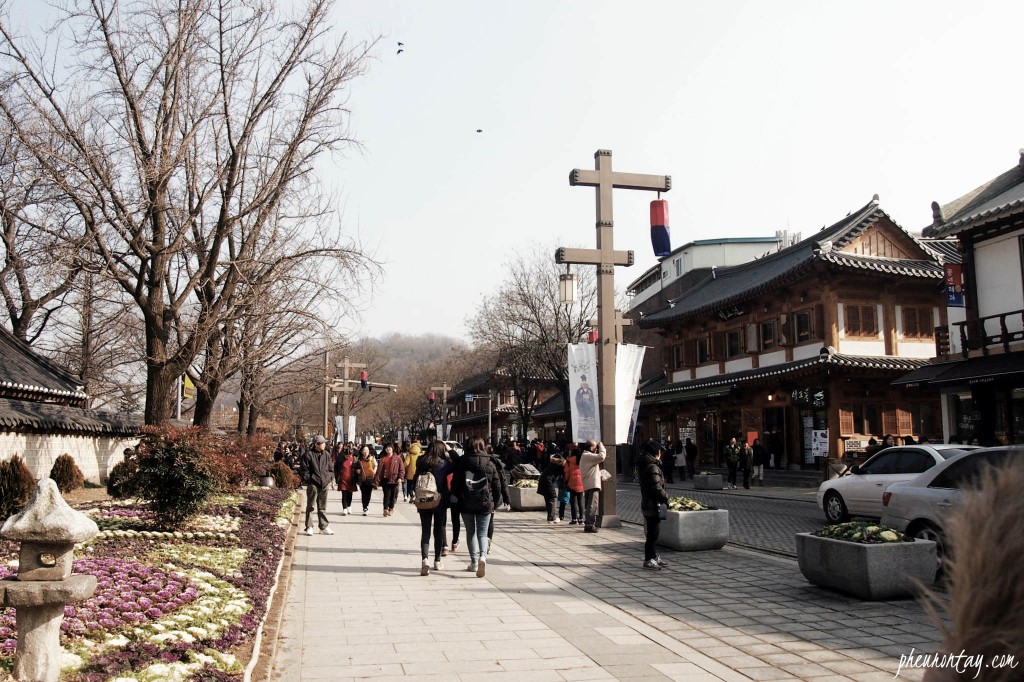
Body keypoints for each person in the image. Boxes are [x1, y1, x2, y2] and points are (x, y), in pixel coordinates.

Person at [450, 436, 502, 577]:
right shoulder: (490, 462)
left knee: (470, 532)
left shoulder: (461, 462)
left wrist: (459, 497)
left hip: (466, 502)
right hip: (485, 503)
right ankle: (483, 557)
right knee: (483, 533)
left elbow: (454, 485)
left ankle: (473, 562)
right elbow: (497, 484)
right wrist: (496, 502)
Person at [415, 440, 453, 576]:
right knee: (438, 531)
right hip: (439, 501)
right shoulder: (444, 464)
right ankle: (437, 560)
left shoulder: (420, 461)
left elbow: (415, 478)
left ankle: (424, 560)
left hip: (423, 500)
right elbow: (458, 463)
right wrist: (450, 450)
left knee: (425, 531)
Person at [638, 440, 669, 569]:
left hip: (649, 503)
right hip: (652, 504)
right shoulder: (652, 467)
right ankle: (649, 559)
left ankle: (653, 557)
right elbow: (656, 487)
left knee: (653, 532)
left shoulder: (647, 464)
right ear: (656, 452)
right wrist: (666, 497)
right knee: (653, 533)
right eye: (660, 451)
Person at [299, 435, 334, 536]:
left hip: (324, 484)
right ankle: (309, 526)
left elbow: (331, 468)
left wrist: (329, 479)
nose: (324, 444)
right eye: (322, 443)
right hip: (313, 484)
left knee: (322, 506)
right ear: (316, 444)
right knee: (311, 506)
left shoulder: (327, 454)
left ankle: (323, 526)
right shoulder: (308, 455)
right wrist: (310, 480)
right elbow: (304, 470)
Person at [580, 439, 607, 533]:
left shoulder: (586, 456)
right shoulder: (588, 455)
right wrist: (602, 446)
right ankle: (589, 525)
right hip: (592, 484)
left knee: (590, 505)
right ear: (591, 447)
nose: (596, 449)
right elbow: (602, 456)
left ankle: (589, 524)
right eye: (595, 447)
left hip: (589, 483)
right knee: (592, 505)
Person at [375, 444, 405, 517]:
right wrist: (376, 480)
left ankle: (391, 509)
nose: (388, 449)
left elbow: (402, 469)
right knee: (386, 495)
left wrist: (400, 477)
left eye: (389, 448)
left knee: (393, 496)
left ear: (392, 449)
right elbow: (379, 471)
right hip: (385, 479)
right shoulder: (383, 459)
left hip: (395, 480)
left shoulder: (398, 458)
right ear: (385, 449)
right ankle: (385, 509)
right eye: (386, 448)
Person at [537, 450, 566, 523]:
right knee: (553, 498)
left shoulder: (552, 463)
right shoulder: (559, 465)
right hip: (548, 482)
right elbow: (564, 474)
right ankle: (552, 517)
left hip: (543, 480)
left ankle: (550, 516)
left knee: (548, 499)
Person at [563, 444, 584, 525]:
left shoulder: (569, 461)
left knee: (573, 502)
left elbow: (567, 473)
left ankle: (574, 519)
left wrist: (566, 481)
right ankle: (581, 519)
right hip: (581, 483)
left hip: (572, 482)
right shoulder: (582, 461)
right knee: (580, 502)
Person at [334, 445, 357, 515]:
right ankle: (344, 508)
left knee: (350, 494)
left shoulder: (354, 459)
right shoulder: (340, 459)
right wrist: (337, 478)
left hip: (351, 480)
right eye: (346, 455)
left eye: (349, 455)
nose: (348, 457)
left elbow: (357, 468)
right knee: (344, 495)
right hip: (343, 479)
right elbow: (336, 469)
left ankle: (349, 506)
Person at [356, 445, 377, 515]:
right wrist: (357, 470)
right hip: (362, 479)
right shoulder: (359, 459)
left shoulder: (372, 458)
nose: (365, 452)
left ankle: (366, 505)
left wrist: (374, 471)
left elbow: (376, 465)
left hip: (371, 478)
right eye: (364, 451)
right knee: (363, 494)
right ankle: (365, 508)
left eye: (367, 451)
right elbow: (355, 467)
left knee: (368, 494)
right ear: (361, 451)